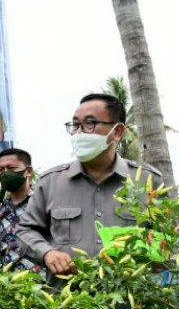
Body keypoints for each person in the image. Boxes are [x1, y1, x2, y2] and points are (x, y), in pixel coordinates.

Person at [16, 94, 161, 280]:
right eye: (75, 125)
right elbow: (25, 231)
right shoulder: (50, 182)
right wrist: (47, 253)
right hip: (69, 303)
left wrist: (156, 252)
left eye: (90, 124)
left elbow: (167, 239)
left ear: (117, 131)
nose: (79, 133)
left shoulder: (148, 182)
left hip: (132, 302)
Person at [0, 148, 44, 276]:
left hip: (44, 286)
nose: (5, 173)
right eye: (1, 169)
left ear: (28, 171)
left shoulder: (44, 203)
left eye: (11, 168)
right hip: (10, 288)